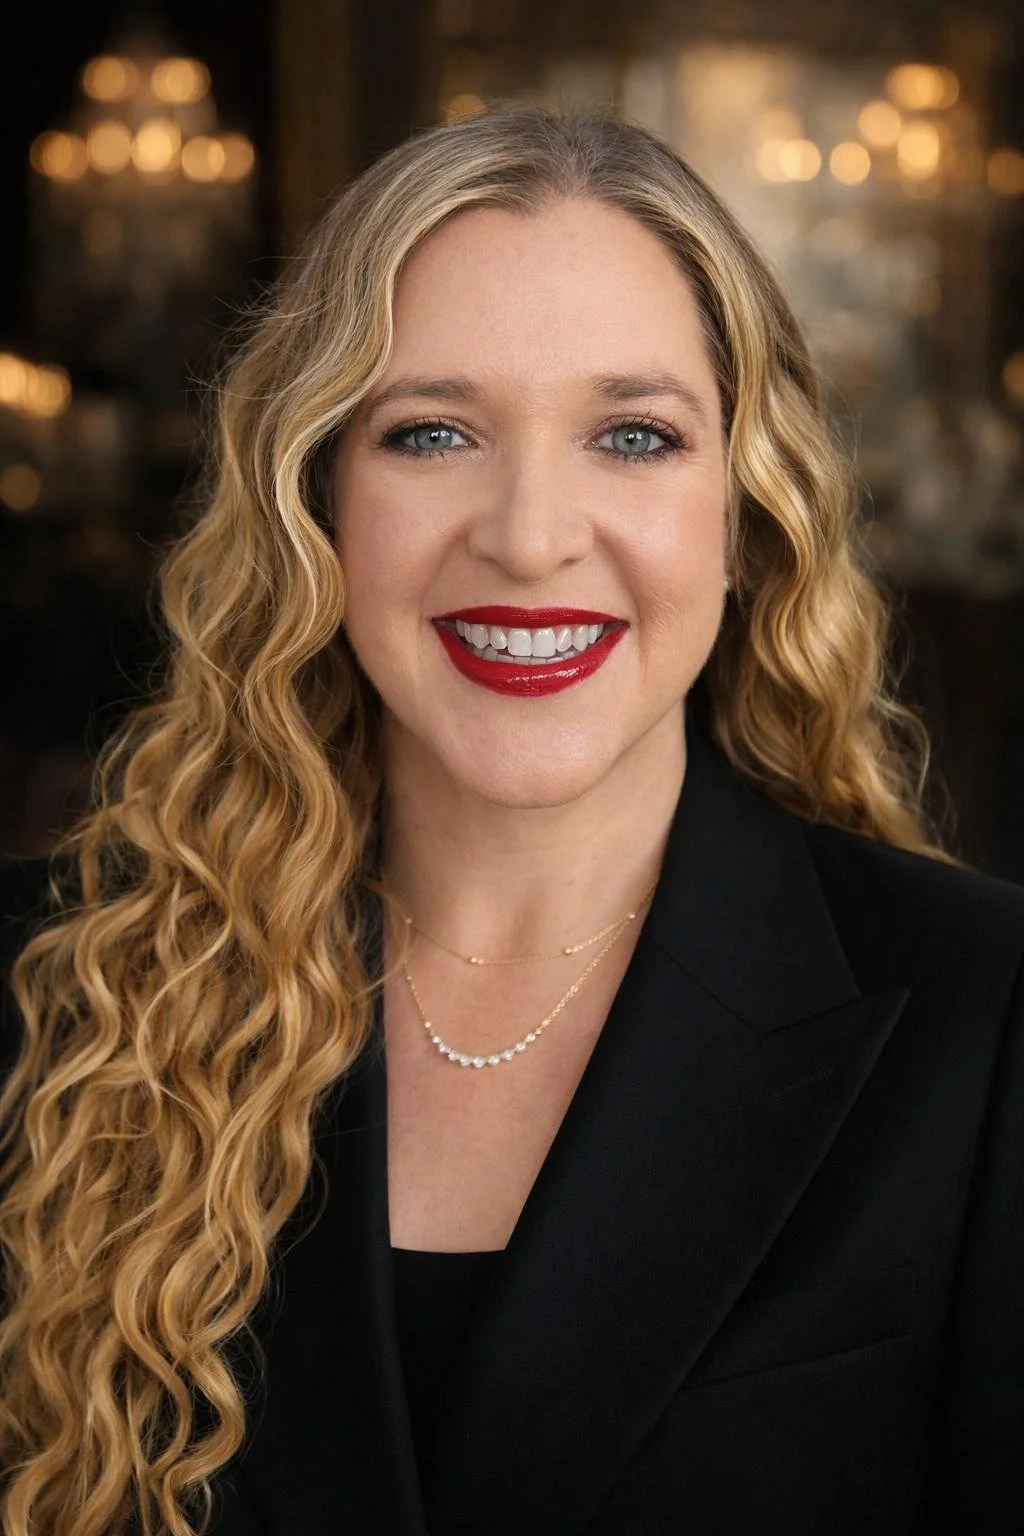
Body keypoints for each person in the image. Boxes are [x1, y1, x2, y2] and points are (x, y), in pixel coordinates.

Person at [0, 103, 1021, 1536]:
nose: (532, 534)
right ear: (318, 501)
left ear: (743, 510)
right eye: (430, 432)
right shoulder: (50, 995)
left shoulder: (987, 1021)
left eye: (632, 434)